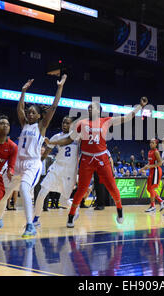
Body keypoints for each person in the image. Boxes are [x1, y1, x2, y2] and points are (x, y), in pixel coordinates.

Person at [47, 96, 148, 228]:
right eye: (88, 107)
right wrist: (53, 142)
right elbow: (69, 139)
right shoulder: (81, 123)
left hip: (102, 158)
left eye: (92, 107)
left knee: (112, 186)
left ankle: (119, 210)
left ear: (99, 110)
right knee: (81, 189)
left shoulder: (106, 121)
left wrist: (140, 106)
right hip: (87, 159)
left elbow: (127, 118)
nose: (89, 108)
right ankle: (71, 216)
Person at [12, 75, 66, 238]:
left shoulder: (41, 126)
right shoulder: (24, 124)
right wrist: (23, 92)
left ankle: (30, 225)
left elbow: (54, 107)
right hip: (18, 163)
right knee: (4, 190)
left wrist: (59, 88)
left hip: (32, 163)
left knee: (23, 188)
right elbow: (19, 109)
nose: (29, 114)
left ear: (39, 116)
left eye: (33, 112)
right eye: (28, 112)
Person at [32, 116, 80, 226]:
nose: (65, 125)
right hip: (56, 168)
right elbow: (46, 152)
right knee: (42, 192)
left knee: (63, 201)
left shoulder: (77, 137)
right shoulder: (56, 136)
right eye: (63, 122)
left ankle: (75, 209)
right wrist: (38, 163)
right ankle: (36, 219)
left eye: (68, 123)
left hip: (69, 172)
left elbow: (68, 141)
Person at [140, 138, 164, 213]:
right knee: (148, 188)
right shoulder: (149, 151)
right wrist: (142, 168)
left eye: (153, 143)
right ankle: (161, 201)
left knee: (151, 188)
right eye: (150, 142)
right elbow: (149, 163)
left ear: (156, 144)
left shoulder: (156, 152)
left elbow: (160, 163)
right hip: (151, 171)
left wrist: (150, 167)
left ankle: (153, 206)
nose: (151, 144)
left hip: (156, 171)